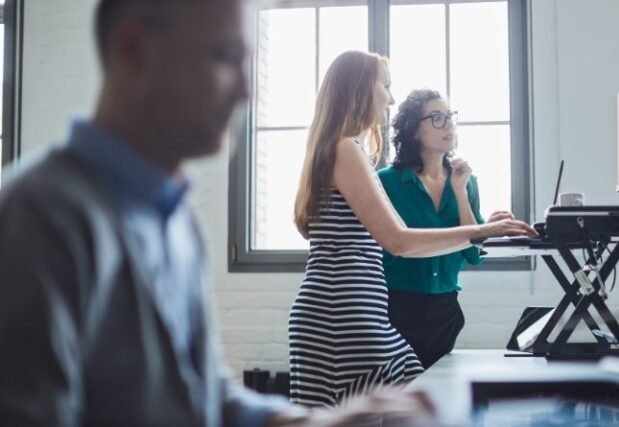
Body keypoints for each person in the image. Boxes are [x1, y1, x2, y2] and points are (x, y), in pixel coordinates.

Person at [0, 1, 435, 426]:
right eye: (225, 56)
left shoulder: (177, 220)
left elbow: (205, 395)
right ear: (133, 50)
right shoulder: (42, 216)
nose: (245, 90)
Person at [291, 52, 537, 408]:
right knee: (415, 406)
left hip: (359, 312)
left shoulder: (349, 150)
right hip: (339, 316)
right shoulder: (345, 149)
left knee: (419, 403)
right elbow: (399, 241)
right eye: (385, 86)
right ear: (360, 89)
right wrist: (481, 231)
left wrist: (479, 230)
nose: (391, 99)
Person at [378, 89, 517, 369]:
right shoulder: (386, 182)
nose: (449, 125)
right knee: (399, 398)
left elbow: (473, 254)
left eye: (450, 117)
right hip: (397, 306)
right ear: (414, 130)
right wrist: (483, 228)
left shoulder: (466, 181)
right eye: (437, 118)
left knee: (436, 398)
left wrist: (460, 191)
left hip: (446, 308)